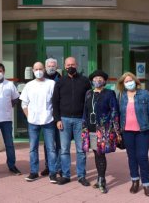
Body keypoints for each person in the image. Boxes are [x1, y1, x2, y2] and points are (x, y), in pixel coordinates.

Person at [116, 72, 149, 197]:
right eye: (126, 81)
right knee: (132, 157)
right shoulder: (121, 96)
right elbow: (118, 115)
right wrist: (118, 132)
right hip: (127, 132)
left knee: (142, 156)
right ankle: (135, 180)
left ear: (135, 81)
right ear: (123, 84)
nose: (129, 83)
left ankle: (146, 183)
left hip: (143, 131)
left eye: (131, 80)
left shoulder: (145, 94)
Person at [52, 57, 92, 186]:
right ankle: (66, 175)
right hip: (64, 119)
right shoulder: (60, 82)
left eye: (73, 64)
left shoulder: (85, 81)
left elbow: (89, 101)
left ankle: (81, 176)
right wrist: (57, 119)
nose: (70, 66)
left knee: (81, 150)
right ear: (64, 67)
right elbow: (55, 102)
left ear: (77, 65)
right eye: (68, 65)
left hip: (80, 120)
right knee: (64, 149)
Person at [82, 70, 121, 193]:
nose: (97, 80)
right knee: (96, 153)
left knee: (101, 154)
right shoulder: (88, 93)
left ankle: (102, 180)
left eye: (100, 78)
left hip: (103, 130)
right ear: (92, 81)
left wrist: (117, 130)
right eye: (95, 78)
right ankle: (99, 178)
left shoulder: (109, 93)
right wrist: (84, 129)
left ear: (104, 81)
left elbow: (114, 112)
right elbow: (85, 111)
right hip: (91, 130)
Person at [19, 62, 57, 184]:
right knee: (32, 148)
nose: (38, 71)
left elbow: (56, 102)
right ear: (33, 70)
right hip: (33, 122)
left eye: (40, 68)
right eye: (36, 69)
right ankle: (34, 172)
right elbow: (23, 103)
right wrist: (29, 116)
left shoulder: (51, 84)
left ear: (44, 70)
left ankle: (53, 173)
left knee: (51, 148)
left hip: (48, 120)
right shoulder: (29, 85)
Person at [0, 63, 22, 177]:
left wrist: (8, 105)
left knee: (9, 144)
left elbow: (16, 98)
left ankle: (12, 166)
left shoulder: (10, 84)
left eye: (0, 71)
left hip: (6, 119)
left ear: (3, 71)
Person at [41, 58, 62, 177]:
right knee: (48, 144)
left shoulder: (61, 79)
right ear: (45, 67)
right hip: (46, 117)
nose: (51, 67)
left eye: (53, 65)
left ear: (57, 66)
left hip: (58, 116)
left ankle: (58, 167)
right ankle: (48, 166)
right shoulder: (40, 79)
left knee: (59, 143)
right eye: (49, 65)